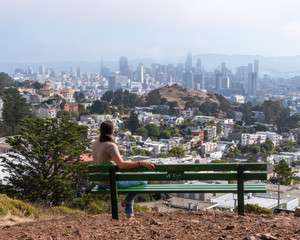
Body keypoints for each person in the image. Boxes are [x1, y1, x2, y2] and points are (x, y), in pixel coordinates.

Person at [92, 120, 155, 220]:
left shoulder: (95, 143)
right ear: (112, 132)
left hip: (100, 182)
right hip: (110, 182)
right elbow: (121, 165)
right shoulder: (110, 145)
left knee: (131, 183)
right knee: (143, 180)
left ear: (100, 131)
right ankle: (123, 203)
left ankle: (129, 216)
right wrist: (140, 163)